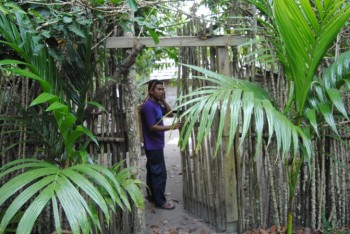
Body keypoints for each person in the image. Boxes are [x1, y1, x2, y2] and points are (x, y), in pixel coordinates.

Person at [140, 79, 181, 210]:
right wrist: (172, 127)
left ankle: (152, 196)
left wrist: (163, 100)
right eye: (159, 89)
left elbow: (170, 113)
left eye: (162, 89)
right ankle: (160, 202)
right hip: (152, 145)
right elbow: (152, 127)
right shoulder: (148, 106)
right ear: (151, 91)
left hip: (156, 144)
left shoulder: (156, 104)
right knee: (159, 173)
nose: (162, 91)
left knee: (153, 171)